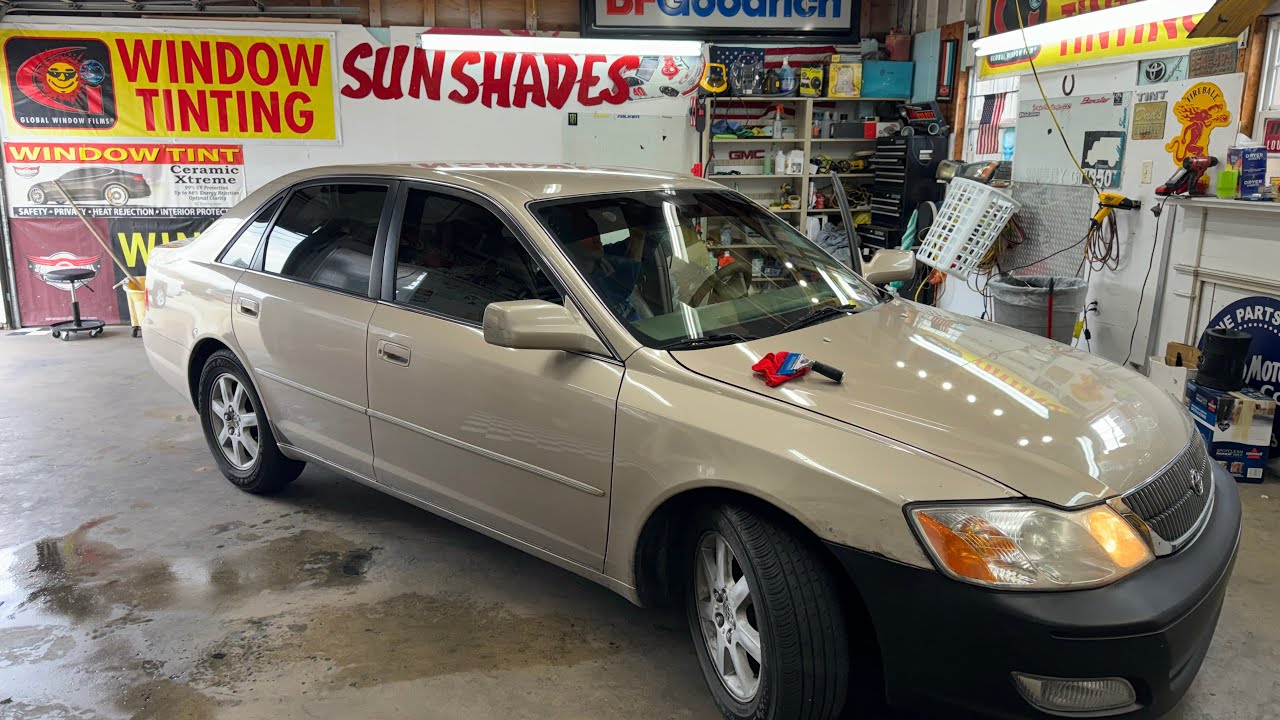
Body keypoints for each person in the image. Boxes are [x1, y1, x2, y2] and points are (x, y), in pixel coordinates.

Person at [564, 217, 646, 321]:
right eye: (585, 235)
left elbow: (642, 242)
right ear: (567, 243)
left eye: (595, 232)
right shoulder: (557, 281)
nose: (596, 239)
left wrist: (640, 232)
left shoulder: (609, 258)